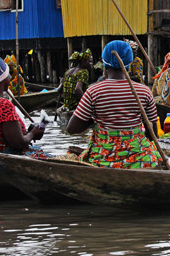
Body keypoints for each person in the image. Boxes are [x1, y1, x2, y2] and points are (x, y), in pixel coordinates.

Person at [67, 41, 163, 169]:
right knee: (154, 154)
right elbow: (152, 134)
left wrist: (94, 118)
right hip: (139, 158)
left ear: (104, 63)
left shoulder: (93, 91)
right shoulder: (144, 91)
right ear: (129, 63)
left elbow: (71, 129)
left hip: (102, 158)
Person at [0, 56, 48, 166]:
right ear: (4, 78)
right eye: (8, 74)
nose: (10, 76)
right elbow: (18, 144)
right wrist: (33, 134)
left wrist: (28, 133)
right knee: (46, 158)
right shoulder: (2, 104)